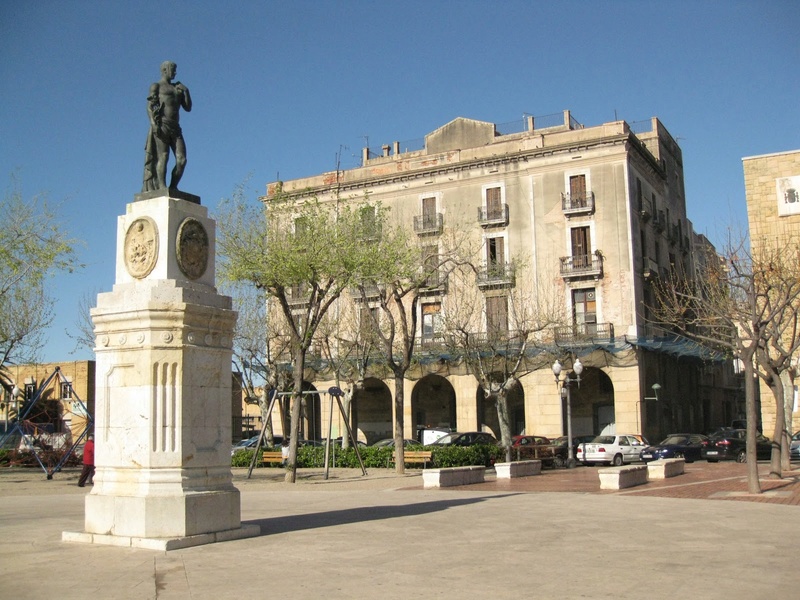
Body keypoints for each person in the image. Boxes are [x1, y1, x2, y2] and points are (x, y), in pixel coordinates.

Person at [142, 61, 192, 192]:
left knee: (182, 160)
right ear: (165, 70)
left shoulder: (178, 88)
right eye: (173, 69)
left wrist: (186, 91)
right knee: (163, 156)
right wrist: (153, 124)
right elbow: (149, 106)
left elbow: (188, 108)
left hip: (175, 127)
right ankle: (162, 187)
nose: (175, 72)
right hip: (162, 124)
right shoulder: (156, 86)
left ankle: (173, 186)